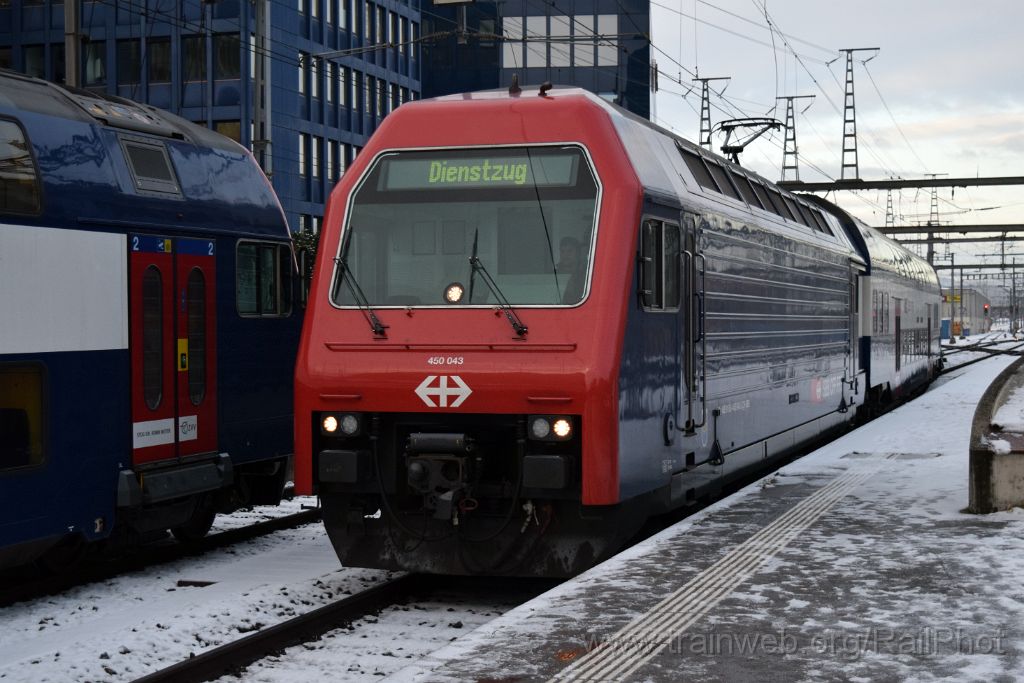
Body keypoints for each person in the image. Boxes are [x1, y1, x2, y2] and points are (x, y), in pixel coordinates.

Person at [557, 236, 586, 304]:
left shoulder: (586, 274)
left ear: (578, 253)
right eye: (562, 251)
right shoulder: (553, 274)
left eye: (570, 251)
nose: (565, 255)